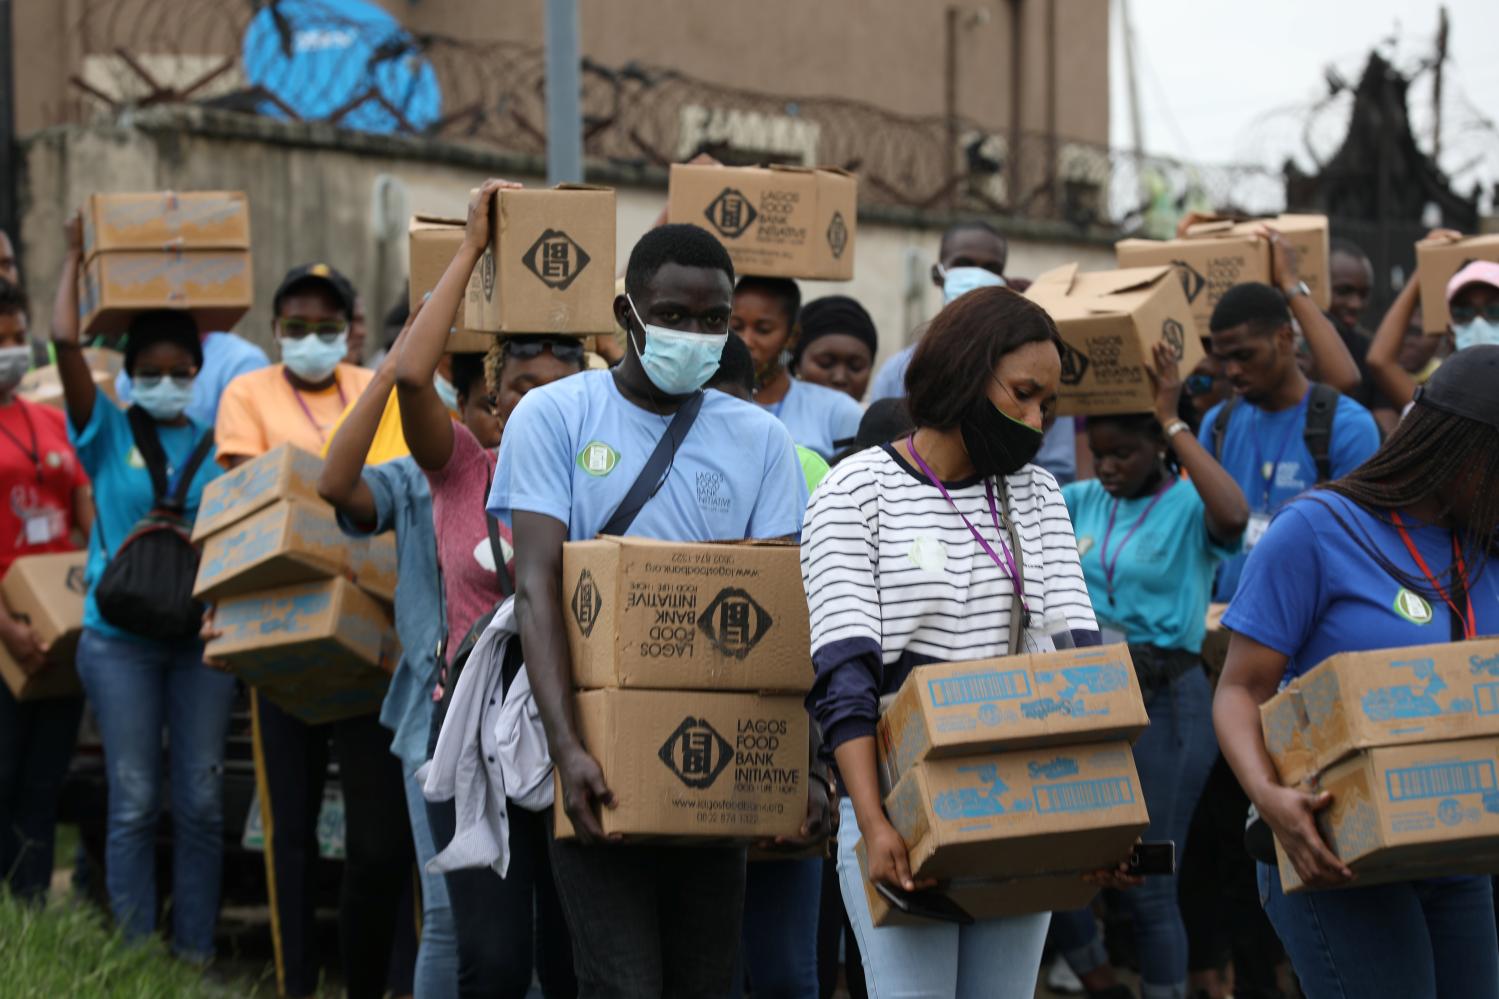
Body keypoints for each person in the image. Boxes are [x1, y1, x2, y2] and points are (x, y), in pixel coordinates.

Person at [489, 221, 811, 996]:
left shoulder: (762, 442)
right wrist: (568, 747)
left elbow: (772, 616)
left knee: (704, 983)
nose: (693, 336)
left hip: (716, 762)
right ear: (624, 312)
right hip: (594, 754)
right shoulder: (554, 415)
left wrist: (796, 763)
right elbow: (535, 586)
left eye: (713, 321)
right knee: (622, 983)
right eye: (672, 315)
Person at [803, 285, 1132, 997]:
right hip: (898, 804)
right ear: (962, 372)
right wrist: (871, 822)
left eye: (1048, 402)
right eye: (1022, 394)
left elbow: (1075, 657)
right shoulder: (854, 492)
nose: (1037, 420)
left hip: (1024, 803)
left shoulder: (1035, 493)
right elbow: (844, 677)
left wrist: (1098, 821)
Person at [1212, 346, 1499, 999]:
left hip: (1454, 847)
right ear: (1461, 450)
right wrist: (1268, 797)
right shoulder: (1316, 529)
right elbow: (1238, 689)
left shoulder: (1484, 542)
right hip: (1330, 841)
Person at [397, 179, 583, 999]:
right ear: (495, 402)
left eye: (558, 388)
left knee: (573, 956)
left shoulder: (600, 481)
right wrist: (471, 248)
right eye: (519, 387)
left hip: (573, 724)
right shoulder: (461, 469)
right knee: (496, 958)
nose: (535, 401)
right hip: (470, 729)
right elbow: (409, 378)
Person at [214, 263, 409, 999]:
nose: (311, 336)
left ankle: (386, 979)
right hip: (283, 627)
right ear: (274, 328)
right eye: (295, 324)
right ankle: (295, 981)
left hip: (368, 630)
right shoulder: (249, 393)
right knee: (287, 831)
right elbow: (251, 492)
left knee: (377, 837)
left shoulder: (374, 390)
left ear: (349, 326)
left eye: (326, 324)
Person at [51, 215, 230, 962]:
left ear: (195, 372)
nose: (163, 382)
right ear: (128, 374)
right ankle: (131, 954)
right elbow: (65, 341)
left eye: (177, 371)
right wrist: (73, 256)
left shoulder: (223, 440)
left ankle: (193, 955)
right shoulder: (104, 429)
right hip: (117, 641)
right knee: (131, 802)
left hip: (197, 644)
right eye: (148, 371)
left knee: (199, 801)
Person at [1051, 343, 1248, 999]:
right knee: (1060, 864)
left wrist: (1171, 419)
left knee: (1150, 878)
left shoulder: (1188, 508)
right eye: (1098, 452)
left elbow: (1235, 514)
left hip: (1168, 700)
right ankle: (1101, 980)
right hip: (1085, 695)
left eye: (1122, 454)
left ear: (1155, 448)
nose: (1106, 467)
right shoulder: (1079, 499)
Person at [317, 306, 458, 998]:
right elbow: (337, 486)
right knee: (449, 913)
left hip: (530, 714)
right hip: (433, 710)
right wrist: (394, 370)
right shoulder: (413, 476)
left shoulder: (554, 459)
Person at [706, 331, 830, 999]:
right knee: (709, 964)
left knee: (786, 970)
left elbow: (822, 632)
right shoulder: (657, 471)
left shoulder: (803, 468)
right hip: (685, 737)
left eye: (735, 407)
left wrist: (813, 769)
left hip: (779, 739)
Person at [1200, 279, 1379, 602]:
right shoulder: (1217, 426)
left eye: (1244, 355)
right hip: (1223, 626)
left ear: (1284, 338)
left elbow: (1360, 550)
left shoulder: (1349, 426)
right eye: (1224, 359)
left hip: (1312, 626)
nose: (1233, 371)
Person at [0, 276, 92, 906]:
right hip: (7, 630)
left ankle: (31, 910)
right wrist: (7, 629)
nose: (11, 349)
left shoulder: (49, 420)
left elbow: (85, 514)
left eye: (15, 336)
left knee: (42, 780)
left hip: (60, 624)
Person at [732, 276, 862, 460]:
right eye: (736, 327)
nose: (746, 341)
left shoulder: (839, 412)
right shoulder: (703, 407)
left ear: (792, 335)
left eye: (763, 329)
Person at [1366, 249, 1493, 418]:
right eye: (1463, 312)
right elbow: (1380, 361)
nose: (1479, 322)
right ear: (1450, 334)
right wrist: (1426, 264)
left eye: (1495, 310)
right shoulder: (1437, 411)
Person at [1326, 239, 1399, 432]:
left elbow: (1385, 436)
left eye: (1364, 294)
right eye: (1343, 291)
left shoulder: (1370, 352)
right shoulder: (1289, 350)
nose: (1356, 304)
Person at [793, 295, 878, 403]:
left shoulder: (878, 419)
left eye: (856, 366)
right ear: (797, 365)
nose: (840, 378)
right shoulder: (770, 418)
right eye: (825, 363)